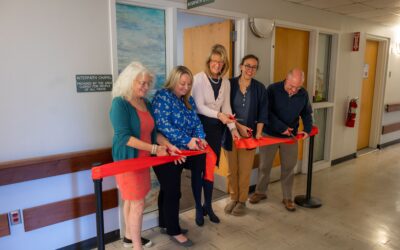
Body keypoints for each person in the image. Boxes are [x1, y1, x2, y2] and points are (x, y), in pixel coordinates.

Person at [110, 62, 181, 250]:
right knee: (138, 203)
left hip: (143, 160)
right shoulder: (120, 103)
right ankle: (136, 246)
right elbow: (125, 138)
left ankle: (128, 238)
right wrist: (155, 149)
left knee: (131, 200)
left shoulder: (146, 103)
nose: (145, 86)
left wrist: (167, 145)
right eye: (140, 82)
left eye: (147, 83)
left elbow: (154, 133)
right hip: (127, 160)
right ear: (129, 81)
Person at [152, 65, 207, 247]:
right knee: (173, 191)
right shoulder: (163, 97)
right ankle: (174, 230)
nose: (185, 87)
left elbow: (196, 122)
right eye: (182, 83)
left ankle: (164, 223)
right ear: (173, 80)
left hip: (183, 152)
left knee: (167, 189)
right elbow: (164, 126)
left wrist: (200, 138)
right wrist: (187, 139)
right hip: (164, 151)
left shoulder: (187, 100)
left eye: (188, 84)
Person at [249, 68, 313, 212]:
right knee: (264, 166)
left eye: (298, 87)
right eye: (291, 86)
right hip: (269, 134)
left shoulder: (303, 94)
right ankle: (260, 192)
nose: (294, 90)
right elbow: (266, 111)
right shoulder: (272, 89)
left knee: (289, 168)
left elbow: (307, 113)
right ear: (286, 79)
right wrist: (281, 127)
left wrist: (307, 130)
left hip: (290, 137)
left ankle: (287, 197)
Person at [191, 44, 238, 225]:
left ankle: (208, 207)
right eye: (214, 61)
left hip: (216, 132)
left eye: (221, 62)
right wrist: (218, 115)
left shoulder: (225, 82)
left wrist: (233, 130)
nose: (217, 65)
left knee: (209, 171)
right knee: (198, 171)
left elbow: (227, 109)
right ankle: (197, 207)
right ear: (209, 61)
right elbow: (199, 106)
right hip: (199, 130)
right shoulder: (198, 79)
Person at [222, 54, 268, 216]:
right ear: (241, 66)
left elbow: (263, 112)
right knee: (231, 169)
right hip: (229, 133)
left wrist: (259, 133)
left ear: (256, 70)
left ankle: (242, 201)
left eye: (254, 67)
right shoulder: (229, 84)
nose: (250, 69)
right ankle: (233, 197)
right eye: (247, 65)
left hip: (249, 136)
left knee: (245, 170)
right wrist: (235, 127)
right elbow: (223, 108)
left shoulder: (259, 88)